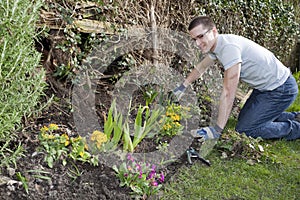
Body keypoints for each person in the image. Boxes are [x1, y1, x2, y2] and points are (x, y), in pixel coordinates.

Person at [173, 16, 300, 140]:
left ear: (213, 31)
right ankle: (296, 117)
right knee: (245, 119)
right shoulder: (217, 45)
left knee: (246, 129)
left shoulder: (229, 49)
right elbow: (201, 67)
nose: (197, 43)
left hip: (281, 89)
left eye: (201, 36)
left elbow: (228, 93)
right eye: (194, 39)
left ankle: (295, 128)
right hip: (266, 88)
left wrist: (217, 130)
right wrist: (182, 86)